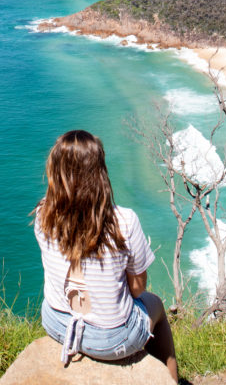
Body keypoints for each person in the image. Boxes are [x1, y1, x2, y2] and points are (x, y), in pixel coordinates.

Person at [33, 129, 178, 381]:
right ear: (99, 173)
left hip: (56, 321)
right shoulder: (124, 221)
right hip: (112, 339)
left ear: (55, 171)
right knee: (157, 307)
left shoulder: (43, 216)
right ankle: (171, 380)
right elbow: (136, 289)